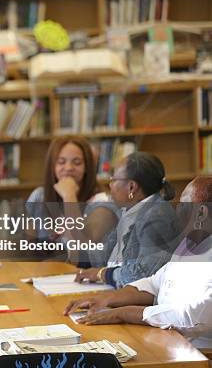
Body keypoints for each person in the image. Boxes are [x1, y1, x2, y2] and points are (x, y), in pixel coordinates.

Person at [64, 175, 212, 349]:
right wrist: (105, 300)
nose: (177, 210)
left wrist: (125, 313)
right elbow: (155, 283)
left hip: (198, 356)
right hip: (167, 342)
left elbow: (194, 317)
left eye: (182, 205)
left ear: (201, 213)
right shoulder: (190, 244)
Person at [75, 152, 180, 288]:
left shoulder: (156, 217)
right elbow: (106, 257)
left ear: (131, 187)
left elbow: (144, 274)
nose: (109, 185)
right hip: (115, 289)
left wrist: (103, 274)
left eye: (113, 180)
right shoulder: (129, 211)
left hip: (138, 302)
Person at [26, 136, 117, 264]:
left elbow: (83, 248)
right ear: (52, 166)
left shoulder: (103, 202)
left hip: (85, 278)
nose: (68, 168)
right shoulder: (39, 196)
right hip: (44, 275)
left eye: (77, 162)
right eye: (61, 162)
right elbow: (27, 245)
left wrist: (69, 196)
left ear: (87, 167)